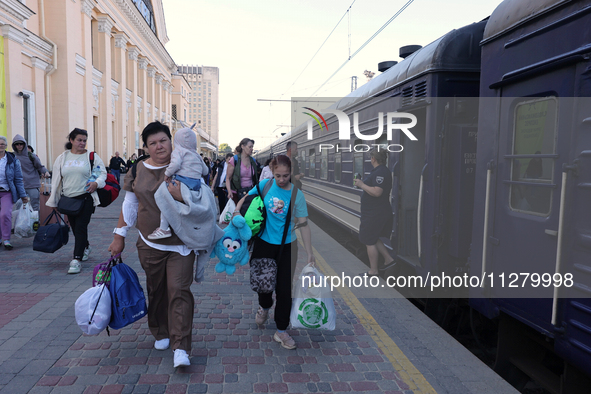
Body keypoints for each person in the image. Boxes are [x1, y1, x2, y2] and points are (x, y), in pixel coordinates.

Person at [108, 121, 200, 368]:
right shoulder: (139, 169)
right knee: (156, 290)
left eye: (163, 140)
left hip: (182, 244)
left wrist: (186, 197)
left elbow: (203, 199)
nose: (159, 146)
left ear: (171, 141)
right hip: (150, 243)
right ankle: (160, 331)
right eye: (153, 143)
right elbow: (130, 204)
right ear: (146, 147)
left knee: (179, 291)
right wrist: (119, 235)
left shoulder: (187, 163)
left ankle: (181, 347)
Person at [235, 154, 314, 350]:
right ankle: (264, 306)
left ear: (291, 173)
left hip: (287, 246)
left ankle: (281, 330)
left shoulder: (297, 195)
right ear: (272, 172)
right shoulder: (265, 186)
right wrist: (237, 213)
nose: (281, 180)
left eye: (285, 176)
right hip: (263, 243)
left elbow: (303, 224)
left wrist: (310, 253)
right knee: (264, 286)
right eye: (278, 175)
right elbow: (247, 199)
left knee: (284, 289)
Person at [46, 128, 107, 273]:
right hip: (68, 199)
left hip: (85, 198)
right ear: (71, 140)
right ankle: (85, 246)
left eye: (84, 140)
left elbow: (101, 173)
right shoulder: (63, 157)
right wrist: (53, 201)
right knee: (75, 228)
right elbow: (56, 181)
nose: (82, 143)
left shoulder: (91, 157)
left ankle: (76, 259)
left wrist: (96, 183)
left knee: (80, 227)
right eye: (79, 140)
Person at [148, 126, 209, 240]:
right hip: (195, 184)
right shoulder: (196, 154)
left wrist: (167, 174)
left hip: (183, 181)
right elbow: (205, 171)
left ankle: (164, 228)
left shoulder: (178, 151)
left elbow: (175, 164)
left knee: (164, 197)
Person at [353, 149, 394, 276]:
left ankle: (373, 271)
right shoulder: (380, 171)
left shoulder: (381, 172)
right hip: (374, 212)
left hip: (375, 213)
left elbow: (377, 192)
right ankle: (388, 259)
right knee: (373, 237)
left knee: (368, 240)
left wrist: (361, 184)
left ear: (373, 159)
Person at [0, 136, 29, 249]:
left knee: (5, 214)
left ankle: (6, 239)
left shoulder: (12, 160)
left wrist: (23, 195)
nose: (0, 146)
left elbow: (18, 179)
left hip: (6, 191)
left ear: (6, 146)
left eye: (2, 144)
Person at [11, 135, 50, 211]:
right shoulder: (12, 156)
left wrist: (46, 172)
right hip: (18, 185)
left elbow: (40, 166)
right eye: (17, 144)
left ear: (24, 144)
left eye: (21, 144)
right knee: (17, 206)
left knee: (35, 206)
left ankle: (35, 222)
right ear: (14, 145)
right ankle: (19, 223)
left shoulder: (31, 156)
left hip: (32, 184)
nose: (19, 146)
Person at [225, 138, 257, 203]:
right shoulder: (234, 159)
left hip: (250, 192)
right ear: (243, 146)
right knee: (238, 212)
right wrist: (229, 191)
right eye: (250, 147)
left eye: (252, 147)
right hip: (236, 194)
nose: (252, 149)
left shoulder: (253, 161)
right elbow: (228, 178)